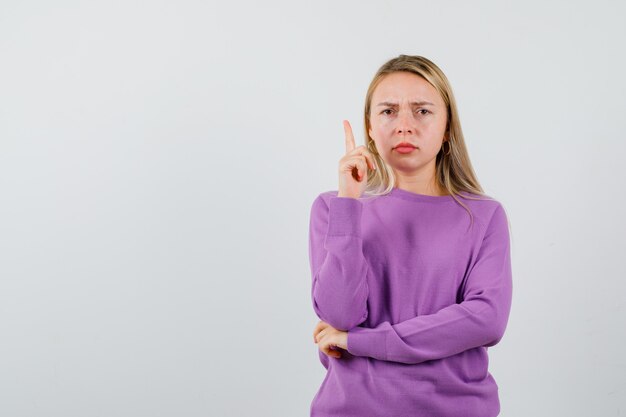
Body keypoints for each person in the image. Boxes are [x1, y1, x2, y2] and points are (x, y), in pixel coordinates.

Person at [308, 54, 513, 417]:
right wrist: (349, 204)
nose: (404, 125)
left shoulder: (483, 216)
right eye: (388, 111)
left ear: (447, 126)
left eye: (422, 111)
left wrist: (362, 342)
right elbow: (339, 314)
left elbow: (485, 320)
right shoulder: (334, 208)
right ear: (369, 126)